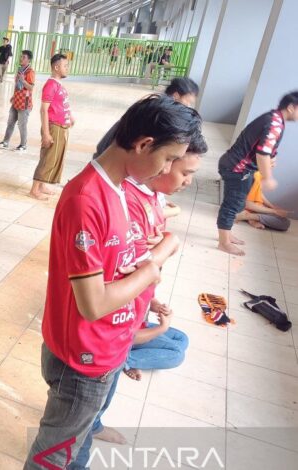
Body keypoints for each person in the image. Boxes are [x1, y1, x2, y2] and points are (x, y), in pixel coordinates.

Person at [24, 94, 202, 470]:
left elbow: (117, 261)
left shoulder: (122, 187)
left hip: (105, 346)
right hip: (85, 355)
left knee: (73, 439)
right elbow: (93, 303)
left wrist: (151, 259)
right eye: (169, 159)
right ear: (142, 145)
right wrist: (152, 267)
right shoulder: (88, 198)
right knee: (51, 454)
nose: (168, 168)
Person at [85, 132, 207, 450]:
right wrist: (168, 243)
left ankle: (125, 358)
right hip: (117, 320)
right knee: (167, 354)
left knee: (180, 341)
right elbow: (135, 267)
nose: (188, 181)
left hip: (136, 304)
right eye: (181, 168)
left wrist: (149, 299)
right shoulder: (121, 200)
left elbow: (140, 264)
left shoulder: (153, 199)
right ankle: (96, 417)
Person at [217, 91, 298, 255]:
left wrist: (270, 160)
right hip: (236, 169)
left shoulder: (274, 119)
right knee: (232, 206)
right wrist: (268, 177)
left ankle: (228, 234)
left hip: (241, 169)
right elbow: (263, 153)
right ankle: (223, 242)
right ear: (291, 107)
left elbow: (264, 150)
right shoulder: (274, 123)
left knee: (238, 204)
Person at [93, 77, 199, 159]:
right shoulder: (160, 114)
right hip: (110, 158)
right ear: (176, 95)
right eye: (188, 102)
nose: (189, 107)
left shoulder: (158, 106)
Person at [30, 53, 73, 200]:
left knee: (54, 159)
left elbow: (61, 104)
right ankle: (35, 189)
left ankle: (42, 185)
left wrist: (70, 117)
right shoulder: (50, 85)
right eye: (65, 66)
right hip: (53, 127)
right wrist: (47, 133)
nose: (67, 68)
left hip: (61, 127)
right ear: (56, 67)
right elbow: (44, 109)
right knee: (48, 158)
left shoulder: (58, 84)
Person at [0, 50, 35, 152]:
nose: (21, 59)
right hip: (16, 100)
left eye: (24, 57)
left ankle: (23, 145)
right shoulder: (20, 70)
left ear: (29, 59)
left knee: (22, 125)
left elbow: (31, 87)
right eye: (21, 56)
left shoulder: (30, 72)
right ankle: (5, 142)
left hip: (24, 103)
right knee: (10, 122)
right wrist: (14, 95)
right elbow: (17, 85)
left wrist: (23, 80)